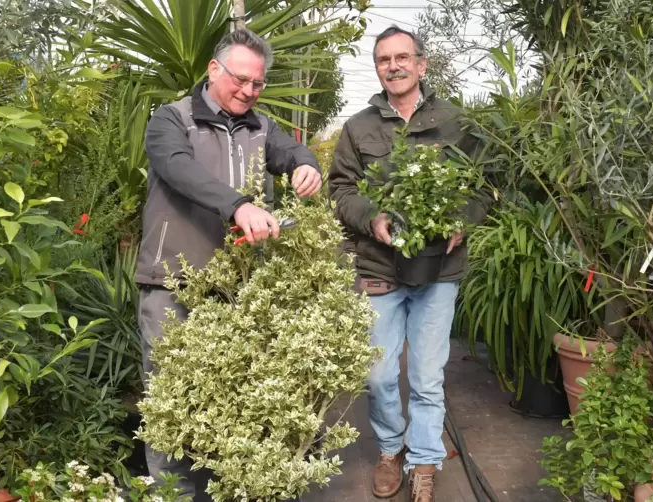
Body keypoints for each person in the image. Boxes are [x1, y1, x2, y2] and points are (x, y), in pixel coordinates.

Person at [134, 28, 322, 497]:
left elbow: (291, 150)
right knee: (170, 403)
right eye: (241, 80)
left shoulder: (261, 126)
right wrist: (239, 205)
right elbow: (181, 170)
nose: (249, 91)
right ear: (213, 70)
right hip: (172, 283)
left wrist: (306, 165)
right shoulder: (171, 120)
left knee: (236, 402)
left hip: (238, 289)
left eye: (258, 84)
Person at [328, 25, 491, 502]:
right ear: (377, 68)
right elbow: (341, 189)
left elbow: (482, 186)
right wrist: (371, 218)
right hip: (379, 266)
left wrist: (461, 220)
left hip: (439, 267)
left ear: (421, 64)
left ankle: (423, 459)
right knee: (377, 374)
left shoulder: (457, 123)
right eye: (384, 59)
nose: (394, 66)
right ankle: (389, 449)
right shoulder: (359, 127)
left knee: (425, 373)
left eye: (403, 57)